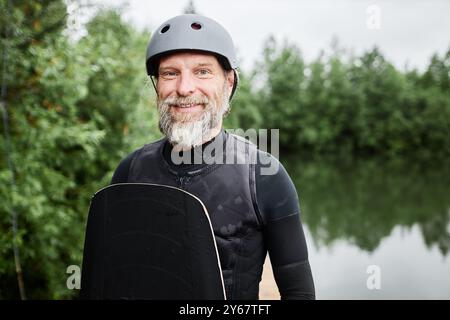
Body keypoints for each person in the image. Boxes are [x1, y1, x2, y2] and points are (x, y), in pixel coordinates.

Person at [111, 14, 315, 300]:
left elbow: (299, 293)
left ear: (228, 83)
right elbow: (112, 279)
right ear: (157, 85)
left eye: (202, 72)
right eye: (170, 73)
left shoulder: (265, 175)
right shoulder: (129, 172)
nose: (184, 88)